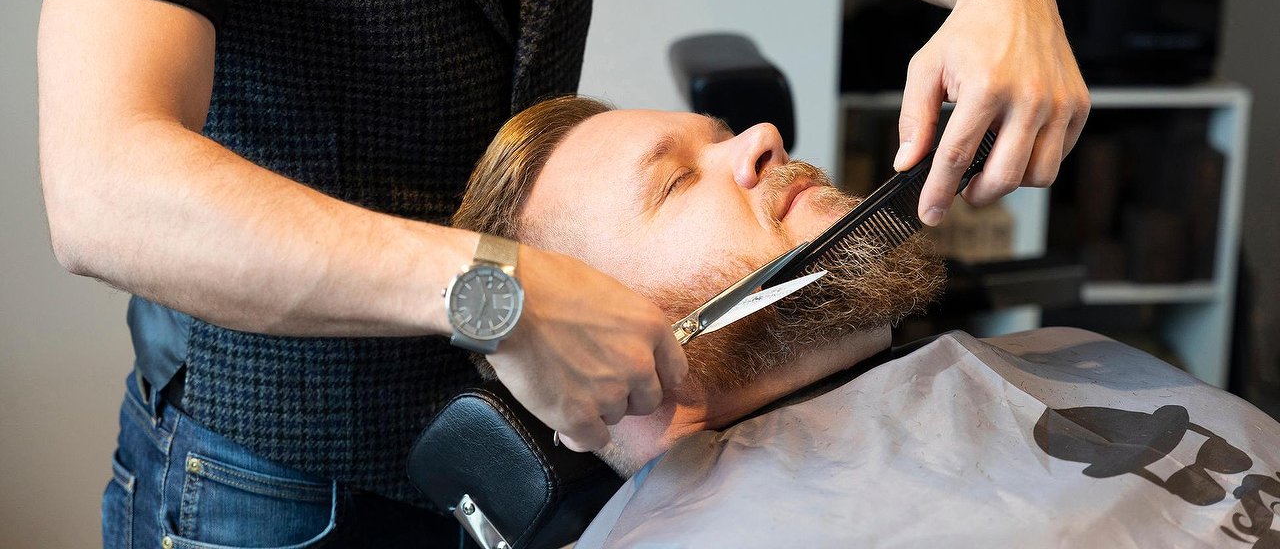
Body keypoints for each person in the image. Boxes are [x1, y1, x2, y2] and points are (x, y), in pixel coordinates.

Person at [32, 0, 1089, 544]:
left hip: (571, 462)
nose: (758, 143)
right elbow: (104, 188)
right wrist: (495, 291)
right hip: (284, 479)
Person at [452, 96, 1280, 547]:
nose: (762, 137)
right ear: (578, 353)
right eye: (674, 181)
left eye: (720, 136)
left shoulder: (1066, 353)